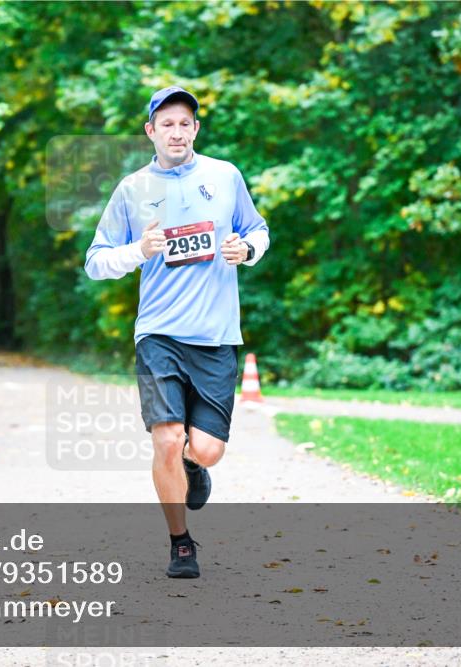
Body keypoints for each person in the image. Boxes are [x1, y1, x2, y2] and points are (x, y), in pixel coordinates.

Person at [84, 86, 270, 578]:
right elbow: (96, 262)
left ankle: (194, 465)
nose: (176, 131)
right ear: (151, 131)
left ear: (195, 130)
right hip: (159, 333)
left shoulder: (224, 176)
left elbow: (259, 231)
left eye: (185, 123)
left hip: (215, 335)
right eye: (166, 123)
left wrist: (245, 251)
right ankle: (180, 543)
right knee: (165, 438)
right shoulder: (132, 189)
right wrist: (137, 251)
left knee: (205, 449)